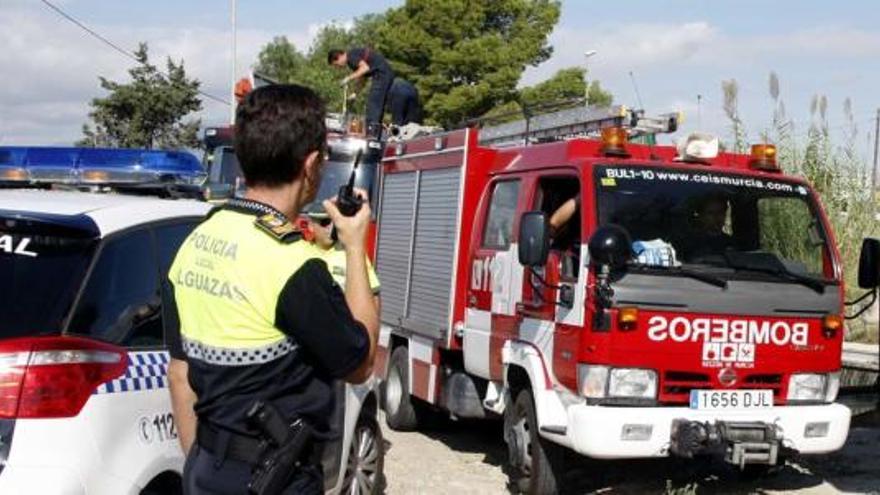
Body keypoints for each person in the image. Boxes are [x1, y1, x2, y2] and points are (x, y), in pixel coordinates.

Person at [166, 84, 379, 494]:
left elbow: (180, 374)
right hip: (276, 477)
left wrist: (202, 467)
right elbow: (361, 363)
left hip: (206, 467)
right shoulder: (293, 265)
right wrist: (354, 247)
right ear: (313, 164)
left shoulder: (195, 242)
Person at [305, 204, 381, 307]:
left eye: (334, 222)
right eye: (325, 222)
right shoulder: (301, 253)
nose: (331, 227)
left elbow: (374, 294)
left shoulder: (352, 255)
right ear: (311, 226)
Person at [328, 47, 395, 139]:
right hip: (384, 74)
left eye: (336, 65)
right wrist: (355, 93)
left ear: (339, 57)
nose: (338, 67)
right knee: (377, 106)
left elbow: (365, 68)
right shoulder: (352, 60)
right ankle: (376, 135)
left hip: (381, 74)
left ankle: (372, 136)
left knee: (373, 105)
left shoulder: (350, 56)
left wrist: (348, 78)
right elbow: (362, 78)